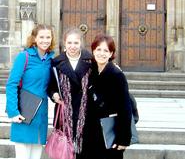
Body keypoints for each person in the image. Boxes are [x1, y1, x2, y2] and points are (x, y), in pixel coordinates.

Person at [6, 24, 55, 159]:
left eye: (48, 37)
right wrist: (13, 112)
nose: (45, 40)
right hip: (24, 114)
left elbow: (52, 86)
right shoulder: (24, 56)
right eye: (42, 37)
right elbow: (11, 84)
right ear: (34, 38)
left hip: (41, 117)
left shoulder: (52, 60)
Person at [47, 27, 93, 159]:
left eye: (76, 43)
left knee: (84, 150)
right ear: (64, 43)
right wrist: (54, 94)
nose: (72, 46)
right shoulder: (56, 62)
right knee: (65, 151)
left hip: (86, 113)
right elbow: (51, 86)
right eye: (69, 43)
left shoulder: (90, 61)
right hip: (64, 113)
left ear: (81, 44)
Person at [85, 33, 132, 159]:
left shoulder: (117, 75)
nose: (101, 53)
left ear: (111, 54)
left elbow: (125, 107)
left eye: (106, 50)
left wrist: (124, 138)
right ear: (93, 51)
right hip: (90, 132)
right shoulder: (90, 71)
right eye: (98, 49)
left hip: (109, 133)